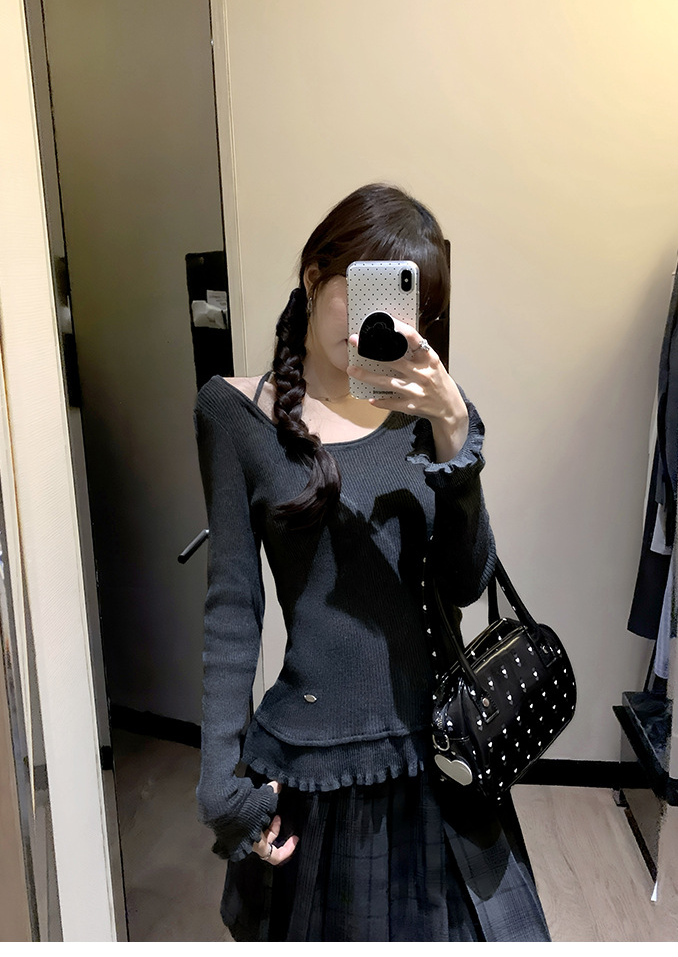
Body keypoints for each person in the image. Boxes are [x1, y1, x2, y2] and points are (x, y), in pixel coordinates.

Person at [193, 183, 550, 942]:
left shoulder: (432, 412)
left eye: (396, 302)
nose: (372, 321)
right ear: (313, 276)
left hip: (439, 757)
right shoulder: (234, 414)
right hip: (320, 771)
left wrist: (454, 432)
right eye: (358, 291)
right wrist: (220, 785)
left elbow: (468, 582)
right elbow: (232, 605)